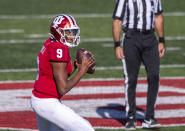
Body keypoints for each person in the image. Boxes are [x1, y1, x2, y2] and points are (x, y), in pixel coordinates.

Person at [30, 14, 95, 131]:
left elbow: (57, 74)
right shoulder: (58, 49)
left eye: (73, 32)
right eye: (68, 32)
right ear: (57, 32)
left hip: (41, 99)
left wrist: (75, 67)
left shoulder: (51, 43)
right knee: (86, 129)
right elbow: (63, 88)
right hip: (47, 102)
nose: (72, 35)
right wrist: (82, 71)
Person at [112, 0, 165, 130]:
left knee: (154, 76)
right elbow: (117, 20)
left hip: (150, 38)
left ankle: (149, 117)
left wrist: (161, 40)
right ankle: (130, 117)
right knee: (131, 79)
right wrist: (117, 44)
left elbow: (158, 16)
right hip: (131, 37)